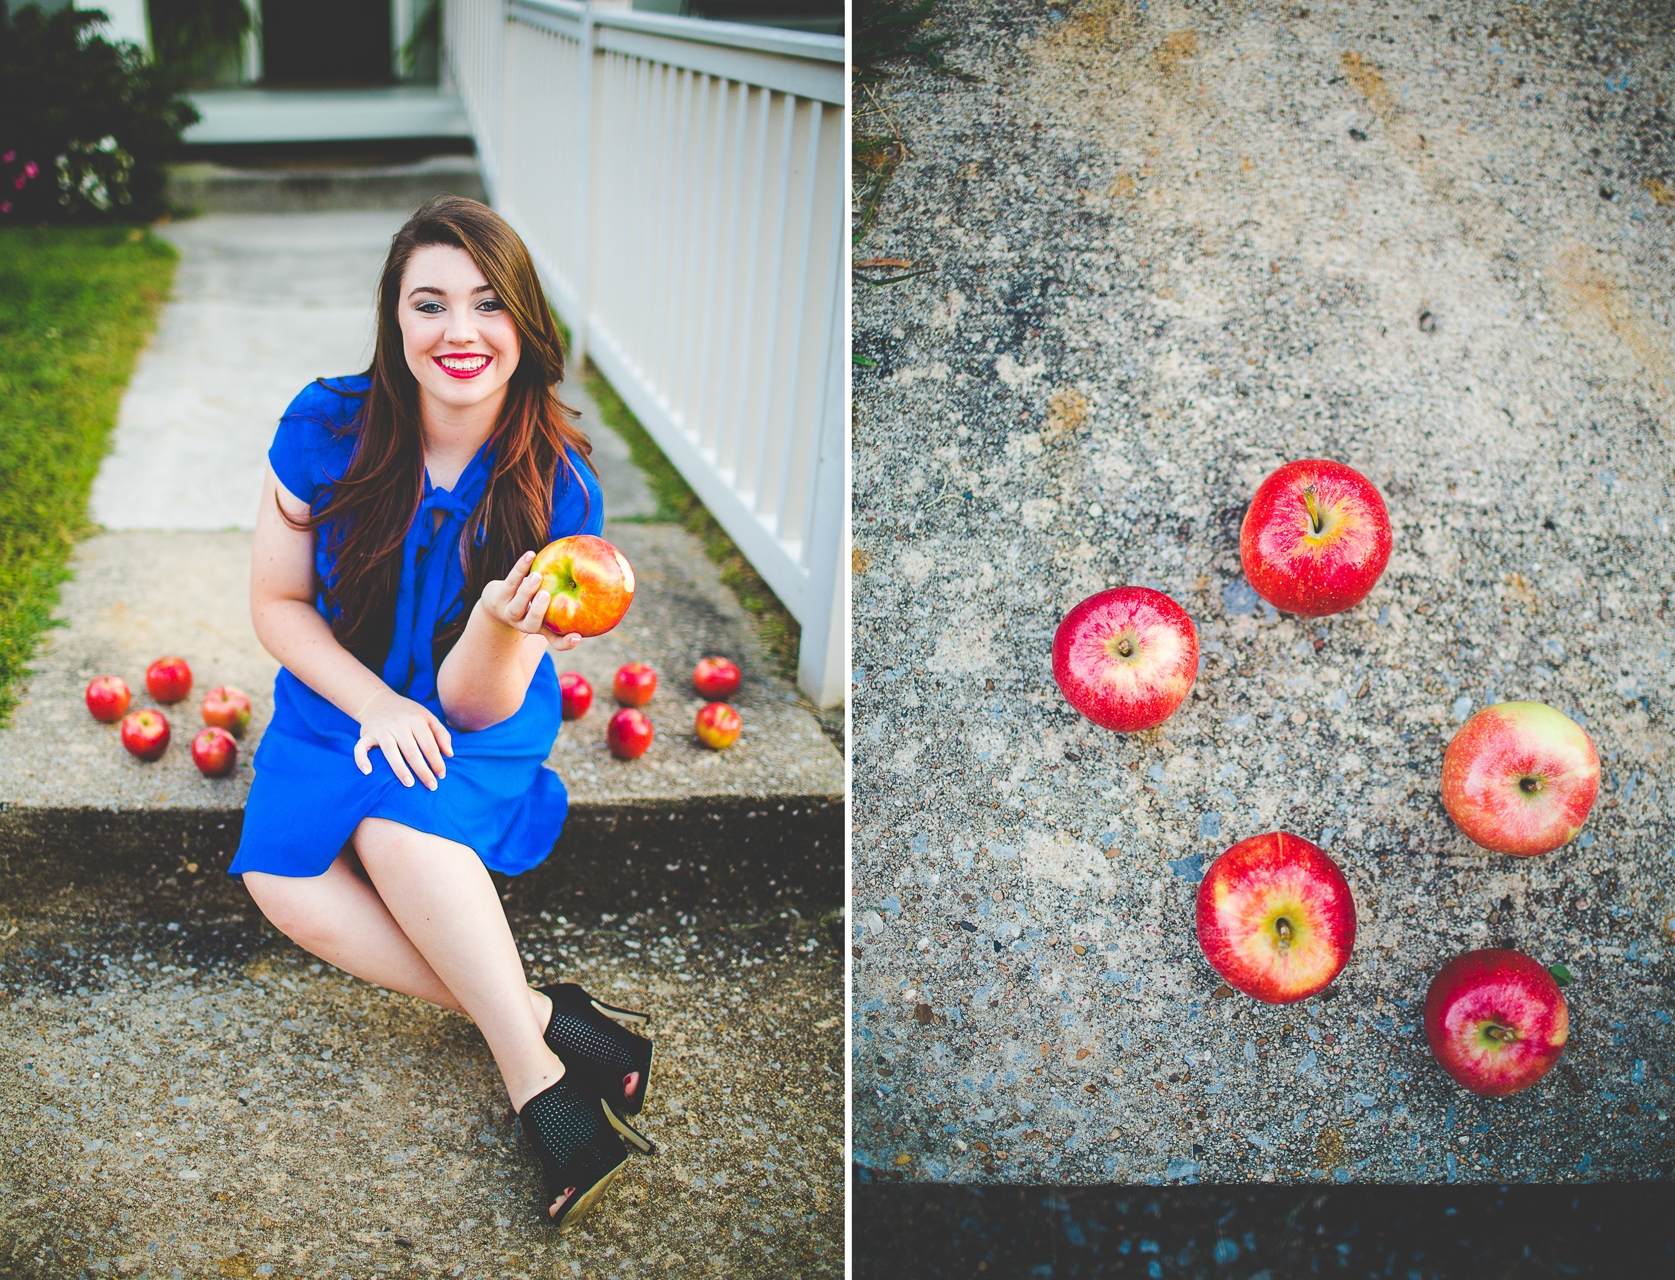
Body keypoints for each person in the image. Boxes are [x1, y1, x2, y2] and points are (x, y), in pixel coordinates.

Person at [228, 195, 653, 1229]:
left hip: (479, 713)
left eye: (487, 304)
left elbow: (470, 700)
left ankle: (536, 1081)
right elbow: (276, 606)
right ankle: (556, 1020)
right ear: (396, 319)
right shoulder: (325, 425)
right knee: (279, 877)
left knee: (396, 817)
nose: (459, 332)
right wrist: (372, 701)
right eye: (429, 304)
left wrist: (501, 631)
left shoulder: (559, 490)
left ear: (525, 326)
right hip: (340, 697)